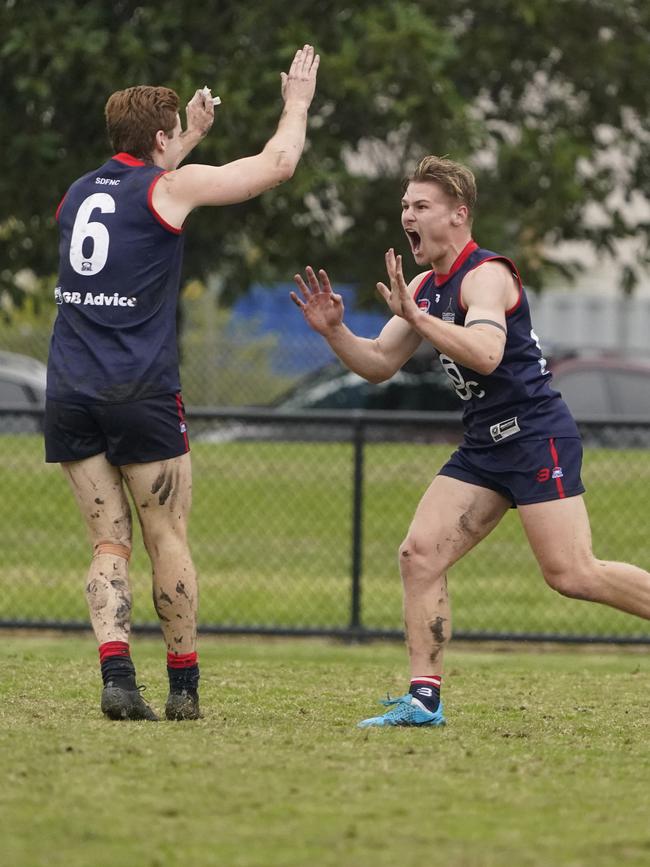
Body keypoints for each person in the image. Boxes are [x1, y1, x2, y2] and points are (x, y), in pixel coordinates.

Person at [291, 155, 650, 728]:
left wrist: (419, 317)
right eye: (405, 205)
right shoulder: (422, 286)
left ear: (458, 215)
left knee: (572, 574)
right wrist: (335, 331)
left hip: (534, 434)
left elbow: (485, 352)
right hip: (485, 442)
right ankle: (424, 700)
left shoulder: (486, 275)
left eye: (421, 206)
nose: (408, 215)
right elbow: (380, 362)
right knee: (419, 554)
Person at [46, 45, 320, 722]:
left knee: (110, 543)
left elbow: (138, 187)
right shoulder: (169, 188)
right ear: (161, 139)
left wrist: (189, 136)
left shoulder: (77, 193)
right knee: (167, 535)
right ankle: (183, 689)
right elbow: (275, 166)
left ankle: (117, 676)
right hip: (140, 390)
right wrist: (297, 103)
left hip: (71, 389)